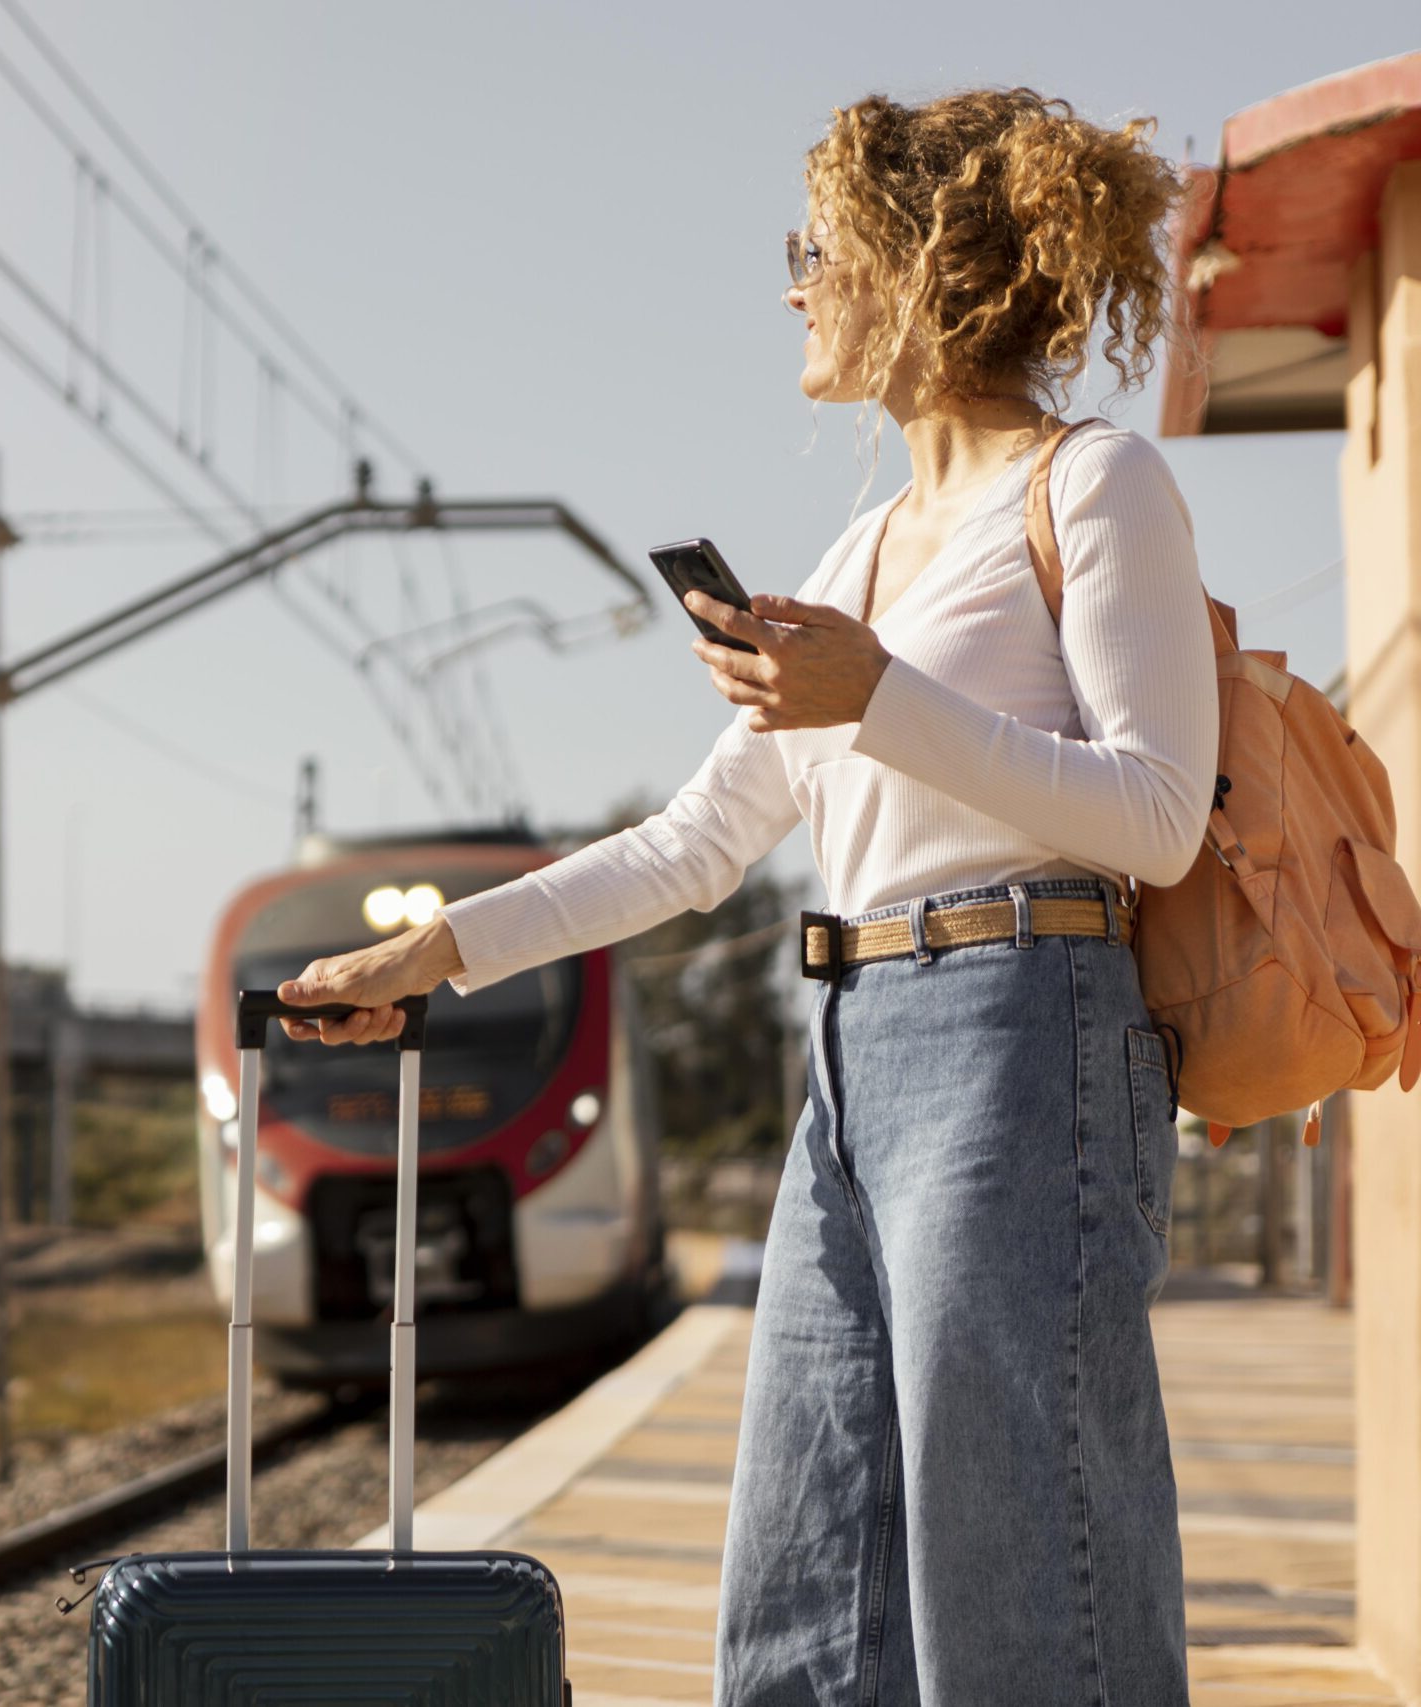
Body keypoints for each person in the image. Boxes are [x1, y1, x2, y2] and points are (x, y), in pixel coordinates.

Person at [276, 87, 1212, 1704]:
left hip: (1028, 1037)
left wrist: (878, 700)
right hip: (854, 1051)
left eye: (819, 249)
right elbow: (693, 847)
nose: (794, 285)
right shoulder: (852, 562)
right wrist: (442, 949)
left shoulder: (1094, 489)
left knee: (1017, 1582)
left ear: (925, 266)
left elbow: (1158, 819)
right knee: (798, 1594)